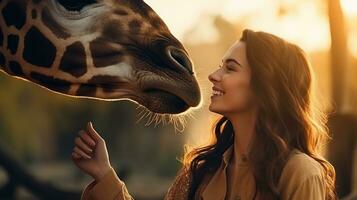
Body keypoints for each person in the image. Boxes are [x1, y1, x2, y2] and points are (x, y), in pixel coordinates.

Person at [71, 29, 337, 200]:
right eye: (221, 66)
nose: (213, 75)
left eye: (230, 68)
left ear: (264, 85)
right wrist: (105, 175)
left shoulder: (300, 173)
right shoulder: (201, 171)